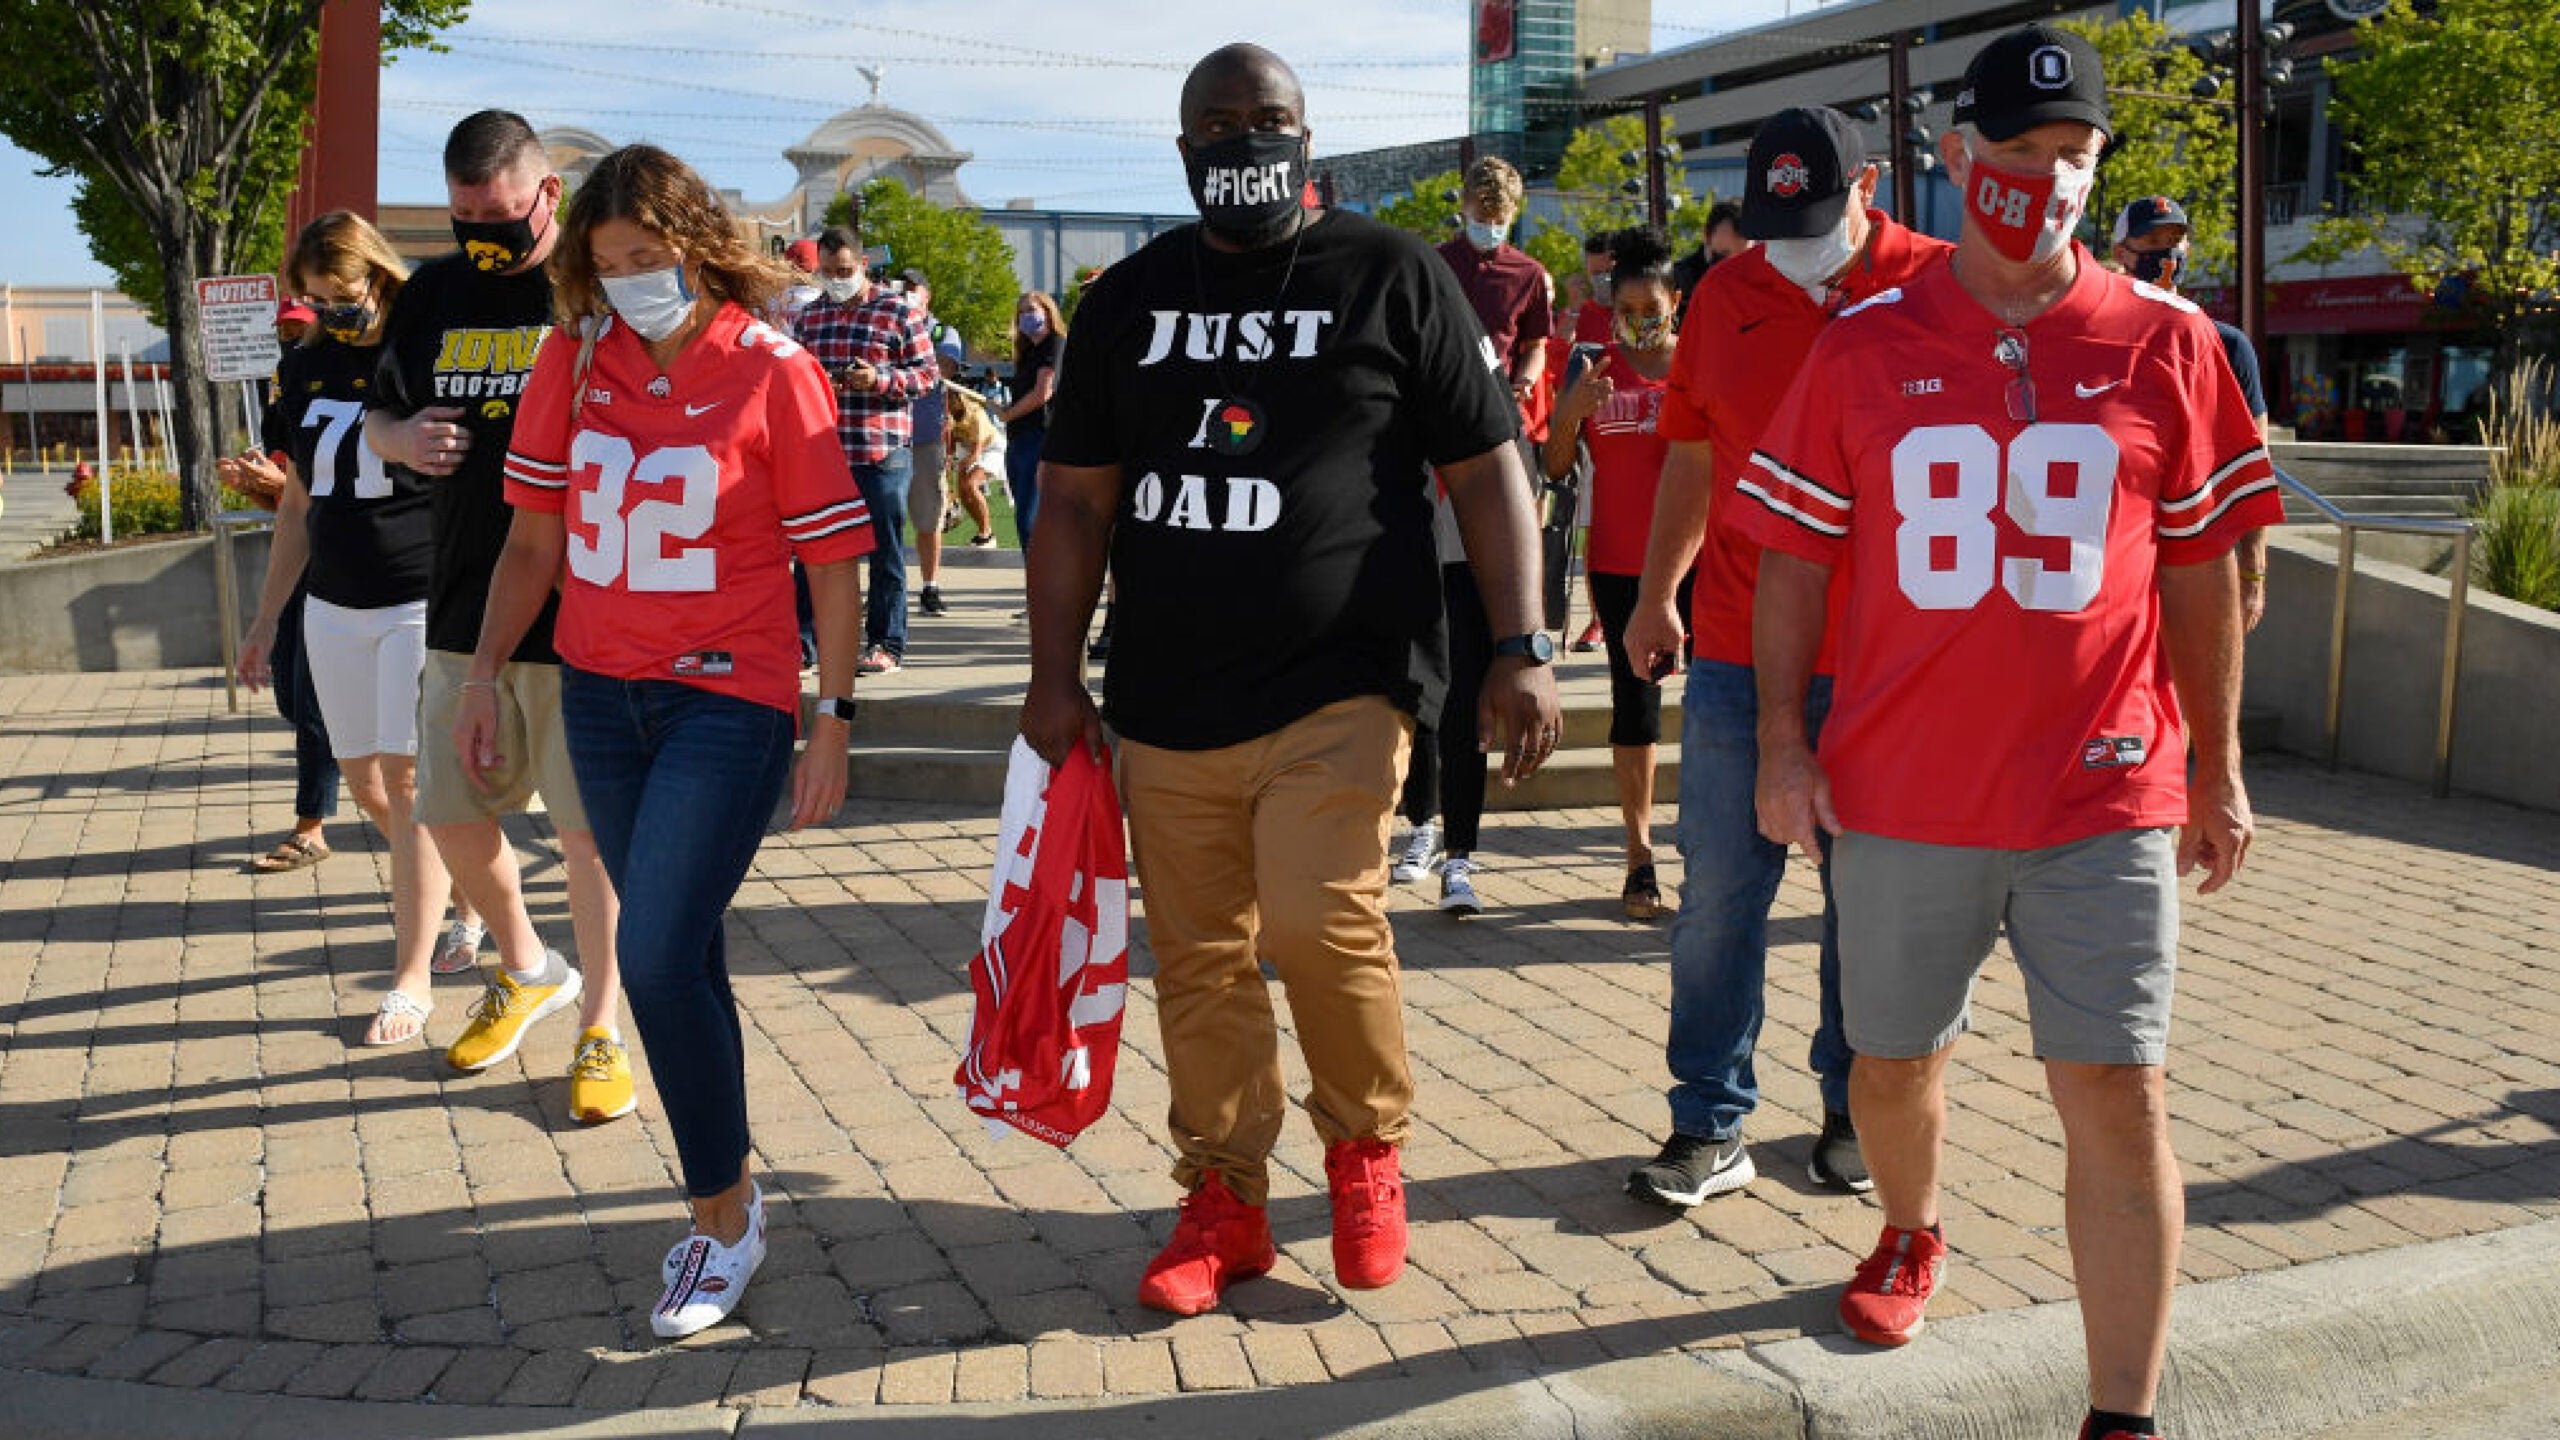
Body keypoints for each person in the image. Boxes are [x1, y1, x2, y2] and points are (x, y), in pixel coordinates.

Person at [1736, 30, 2282, 1440]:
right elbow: (1796, 559)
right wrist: (1786, 748)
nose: (2039, 179)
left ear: (2096, 168)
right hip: (1905, 790)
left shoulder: (2168, 344)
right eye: (2015, 151)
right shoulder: (1861, 348)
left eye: (2070, 155)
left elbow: (2206, 568)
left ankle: (2124, 1414)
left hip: (2103, 792)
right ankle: (1912, 1228)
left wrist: (2215, 764)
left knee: (2116, 1085)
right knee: (1895, 1061)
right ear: (1955, 156)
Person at [1019, 42, 1562, 1319]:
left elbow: (1489, 470)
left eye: (1266, 119)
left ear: (1305, 140)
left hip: (1344, 681)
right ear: (1184, 151)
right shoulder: (1129, 300)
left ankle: (1365, 1151)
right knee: (1201, 957)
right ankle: (1223, 1196)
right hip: (1164, 694)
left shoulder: (1392, 274)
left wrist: (1521, 643)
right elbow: (1072, 507)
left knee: (1323, 922)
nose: (1243, 140)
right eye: (1219, 123)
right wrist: (1052, 677)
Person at [465, 143, 872, 1340]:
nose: (631, 279)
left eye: (648, 257)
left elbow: (834, 557)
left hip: (727, 699)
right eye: (606, 263)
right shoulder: (570, 356)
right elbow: (532, 543)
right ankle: (731, 1198)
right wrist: (485, 673)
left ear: (697, 243)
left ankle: (719, 1220)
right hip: (599, 694)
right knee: (679, 959)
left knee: (651, 957)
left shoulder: (775, 369)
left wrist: (832, 717)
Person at [1618, 105, 1950, 1212]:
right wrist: (1657, 594)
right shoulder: (1727, 294)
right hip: (1738, 650)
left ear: (1871, 188)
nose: (1790, 246)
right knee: (1719, 893)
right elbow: (1690, 456)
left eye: (1812, 221)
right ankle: (1707, 1122)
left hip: (1890, 659)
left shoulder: (1943, 288)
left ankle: (1857, 1106)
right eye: (1772, 224)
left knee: (1867, 899)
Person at [365, 109, 629, 1117]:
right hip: (461, 601)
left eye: (501, 213)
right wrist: (401, 441)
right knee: (447, 810)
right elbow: (377, 411)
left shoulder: (596, 290)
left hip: (583, 609)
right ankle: (526, 966)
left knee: (584, 836)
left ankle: (601, 1027)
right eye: (464, 213)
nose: (483, 231)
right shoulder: (432, 292)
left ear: (546, 196)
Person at [231, 212, 453, 1046]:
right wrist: (263, 619)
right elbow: (297, 502)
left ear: (378, 278)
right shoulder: (306, 364)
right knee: (364, 788)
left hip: (413, 594)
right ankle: (460, 884)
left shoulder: (419, 351)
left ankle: (413, 976)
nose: (332, 310)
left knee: (404, 784)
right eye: (316, 299)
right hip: (332, 601)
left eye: (343, 294)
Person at [1542, 227, 1690, 921]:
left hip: (1701, 561)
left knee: (1727, 697)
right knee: (1636, 708)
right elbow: (1553, 467)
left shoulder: (1701, 365)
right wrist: (1570, 415)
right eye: (1625, 307)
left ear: (1675, 302)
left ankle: (1725, 849)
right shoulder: (1593, 365)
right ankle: (1639, 858)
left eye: (1650, 307)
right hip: (1620, 563)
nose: (1638, 320)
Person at [1418, 153, 1550, 917]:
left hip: (1495, 455)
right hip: (1425, 468)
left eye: (1500, 211)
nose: (1488, 220)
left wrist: (1529, 375)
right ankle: (1415, 824)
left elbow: (1533, 339)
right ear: (1462, 203)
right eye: (1478, 206)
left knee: (1469, 673)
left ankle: (1459, 854)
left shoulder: (1528, 273)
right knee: (1416, 678)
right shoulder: (1431, 267)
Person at [2110, 196, 2273, 631]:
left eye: (2175, 240)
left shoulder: (2226, 344)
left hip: (2197, 552)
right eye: (2152, 239)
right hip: (2115, 555)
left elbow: (2255, 467)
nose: (2167, 251)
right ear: (2119, 252)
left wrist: (2253, 570)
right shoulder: (2094, 338)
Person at [231, 298, 342, 879]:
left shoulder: (373, 377)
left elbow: (361, 486)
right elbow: (290, 494)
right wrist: (258, 483)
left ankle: (312, 824)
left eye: (302, 327)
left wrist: (285, 486)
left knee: (317, 702)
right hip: (302, 559)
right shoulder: (291, 384)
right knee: (295, 700)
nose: (294, 338)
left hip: (358, 570)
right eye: (286, 330)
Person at [795, 230, 936, 675]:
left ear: (863, 266)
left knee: (884, 553)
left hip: (881, 450)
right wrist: (825, 383)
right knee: (814, 551)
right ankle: (804, 643)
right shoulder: (811, 318)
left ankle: (885, 645)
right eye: (828, 272)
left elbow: (927, 376)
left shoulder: (897, 312)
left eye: (845, 271)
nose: (836, 279)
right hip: (825, 451)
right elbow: (794, 379)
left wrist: (878, 379)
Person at [901, 271, 954, 617]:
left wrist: (915, 329)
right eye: (901, 289)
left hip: (925, 437)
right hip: (886, 435)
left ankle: (929, 586)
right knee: (879, 520)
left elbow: (945, 369)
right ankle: (882, 586)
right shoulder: (885, 322)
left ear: (927, 295)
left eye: (912, 290)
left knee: (928, 517)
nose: (906, 295)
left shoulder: (942, 332)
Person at [998, 291, 1064, 547]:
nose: (1026, 316)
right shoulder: (1027, 353)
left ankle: (1043, 583)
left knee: (1030, 521)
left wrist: (1009, 414)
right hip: (1018, 441)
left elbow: (1043, 393)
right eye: (1021, 312)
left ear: (1048, 312)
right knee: (1024, 519)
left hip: (1039, 439)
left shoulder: (1055, 344)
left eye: (1032, 309)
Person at [942, 345, 1002, 548]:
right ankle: (983, 533)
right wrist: (948, 461)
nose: (946, 400)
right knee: (963, 490)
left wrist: (960, 464)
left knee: (970, 484)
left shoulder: (973, 412)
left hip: (991, 448)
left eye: (949, 396)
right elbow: (950, 442)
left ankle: (987, 534)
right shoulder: (948, 413)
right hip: (969, 450)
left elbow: (977, 451)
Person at [1671, 199, 1749, 311]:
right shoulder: (1678, 280)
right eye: (1723, 256)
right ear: (1705, 235)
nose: (1731, 268)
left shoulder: (1760, 284)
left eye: (1742, 260)